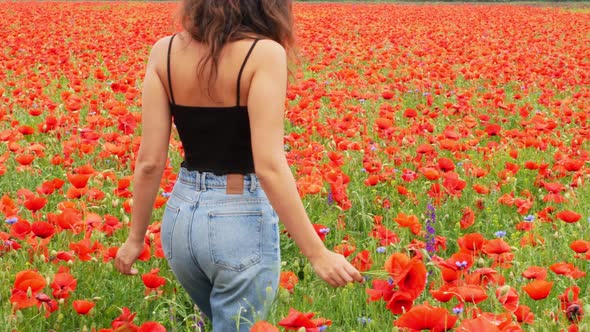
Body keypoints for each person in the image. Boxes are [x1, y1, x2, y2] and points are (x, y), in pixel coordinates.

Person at [114, 0, 364, 331]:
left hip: (180, 220)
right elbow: (269, 166)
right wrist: (318, 254)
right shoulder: (264, 54)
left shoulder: (164, 51)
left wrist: (135, 238)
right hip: (237, 221)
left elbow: (149, 162)